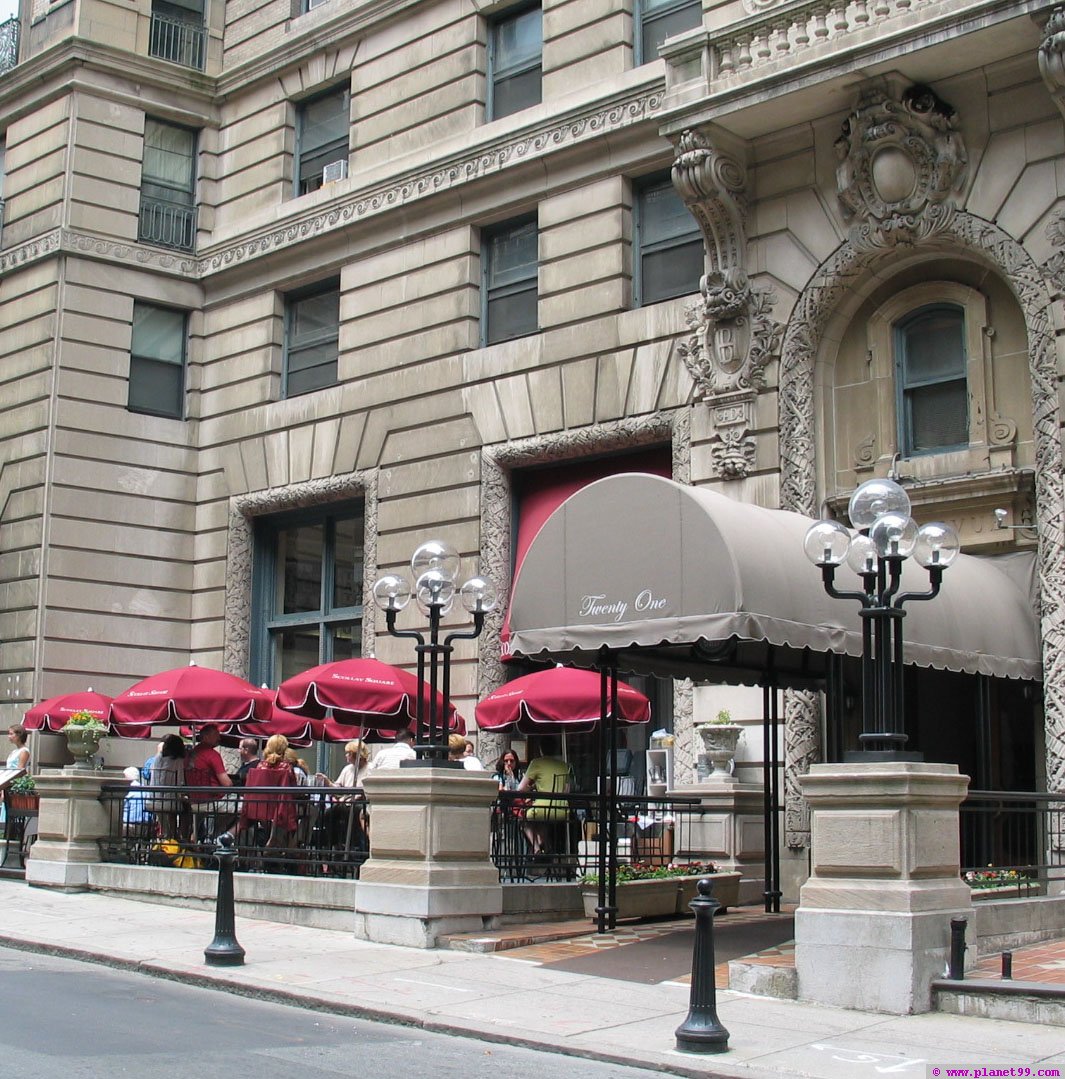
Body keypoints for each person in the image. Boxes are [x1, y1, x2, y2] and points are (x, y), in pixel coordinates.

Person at [517, 738, 571, 855]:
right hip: (562, 810)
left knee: (524, 821)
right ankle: (546, 846)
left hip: (542, 809)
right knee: (543, 822)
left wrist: (531, 789)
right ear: (556, 749)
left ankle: (537, 847)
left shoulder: (536, 763)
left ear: (541, 749)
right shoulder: (564, 765)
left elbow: (520, 788)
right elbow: (567, 791)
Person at [315, 740, 370, 849]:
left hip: (361, 804)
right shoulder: (347, 769)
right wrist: (328, 782)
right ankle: (334, 844)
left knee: (352, 812)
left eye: (348, 753)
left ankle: (354, 845)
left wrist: (358, 797)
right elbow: (338, 788)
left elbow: (369, 789)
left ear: (356, 755)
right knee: (328, 814)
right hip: (346, 803)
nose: (346, 756)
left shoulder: (370, 769)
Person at [184, 724, 237, 835]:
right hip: (212, 802)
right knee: (246, 808)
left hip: (194, 801)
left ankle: (207, 835)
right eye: (216, 735)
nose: (219, 738)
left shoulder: (189, 755)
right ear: (206, 737)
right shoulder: (212, 755)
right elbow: (227, 784)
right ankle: (222, 837)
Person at [148, 733, 188, 838]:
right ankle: (180, 837)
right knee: (186, 810)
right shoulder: (178, 761)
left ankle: (168, 836)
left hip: (153, 799)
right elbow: (180, 781)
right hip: (169, 801)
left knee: (166, 818)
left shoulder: (157, 758)